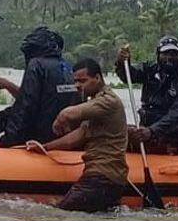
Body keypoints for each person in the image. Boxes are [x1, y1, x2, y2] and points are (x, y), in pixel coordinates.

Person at [27, 58, 128, 213]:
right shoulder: (95, 106)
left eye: (82, 81)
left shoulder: (108, 101)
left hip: (102, 177)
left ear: (98, 78)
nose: (77, 86)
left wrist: (59, 119)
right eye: (75, 81)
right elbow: (78, 136)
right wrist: (46, 147)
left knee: (58, 214)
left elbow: (68, 113)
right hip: (104, 178)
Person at [0, 27, 80, 147]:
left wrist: (6, 141)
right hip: (65, 139)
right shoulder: (67, 67)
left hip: (39, 139)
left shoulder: (36, 65)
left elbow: (25, 107)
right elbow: (45, 104)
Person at [115, 36, 178, 155]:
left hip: (172, 137)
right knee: (114, 132)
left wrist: (152, 131)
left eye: (174, 54)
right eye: (165, 53)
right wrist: (122, 62)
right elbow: (129, 76)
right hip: (146, 129)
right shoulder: (150, 70)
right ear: (158, 54)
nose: (169, 58)